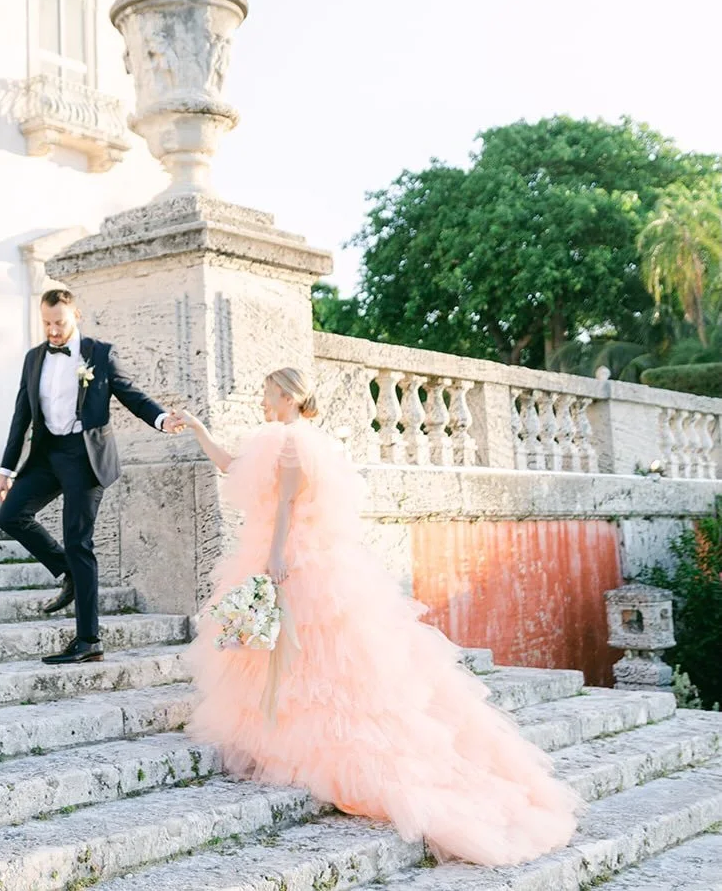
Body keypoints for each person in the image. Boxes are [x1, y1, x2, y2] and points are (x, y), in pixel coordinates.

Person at [167, 368, 580, 867]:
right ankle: (270, 722)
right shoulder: (273, 439)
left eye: (266, 391)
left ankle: (300, 733)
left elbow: (286, 504)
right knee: (276, 644)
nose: (262, 399)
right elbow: (234, 466)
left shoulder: (296, 442)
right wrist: (198, 430)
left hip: (293, 554)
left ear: (288, 396)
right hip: (274, 550)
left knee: (307, 645)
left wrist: (275, 557)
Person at [0, 288, 183, 666]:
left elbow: (132, 395)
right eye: (46, 323)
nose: (52, 331)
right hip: (48, 456)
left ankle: (88, 640)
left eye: (59, 323)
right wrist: (6, 468)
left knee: (78, 541)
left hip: (86, 458)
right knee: (10, 515)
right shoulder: (34, 359)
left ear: (75, 315)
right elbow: (22, 415)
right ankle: (67, 571)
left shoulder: (99, 354)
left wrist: (162, 419)